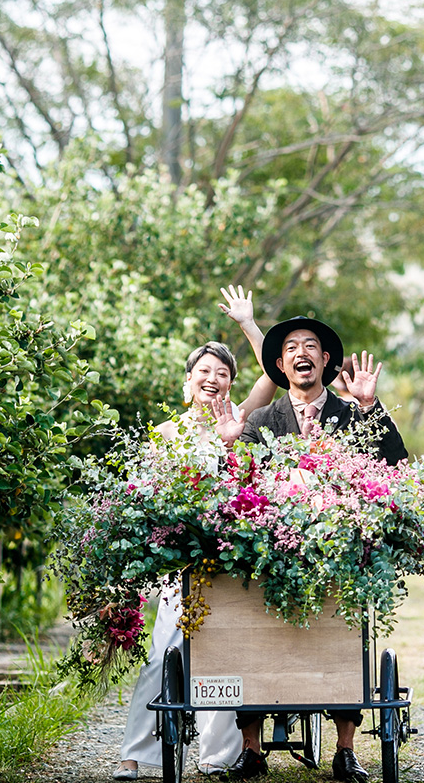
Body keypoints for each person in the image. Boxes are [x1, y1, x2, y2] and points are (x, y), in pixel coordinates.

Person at [227, 316, 408, 783]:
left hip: (338, 549)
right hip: (272, 549)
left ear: (326, 360)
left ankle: (345, 750)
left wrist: (370, 406)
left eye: (310, 346)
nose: (301, 353)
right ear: (280, 364)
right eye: (291, 347)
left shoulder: (351, 415)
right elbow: (239, 482)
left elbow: (394, 463)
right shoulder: (262, 420)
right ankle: (251, 750)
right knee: (247, 624)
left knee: (344, 629)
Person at [115, 287, 276, 781]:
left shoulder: (240, 422)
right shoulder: (166, 435)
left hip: (228, 559)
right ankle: (135, 754)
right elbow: (148, 500)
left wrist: (248, 324)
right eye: (204, 371)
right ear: (188, 383)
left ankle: (217, 755)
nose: (213, 378)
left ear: (230, 385)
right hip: (181, 563)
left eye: (223, 373)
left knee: (224, 654)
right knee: (163, 655)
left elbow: (274, 375)